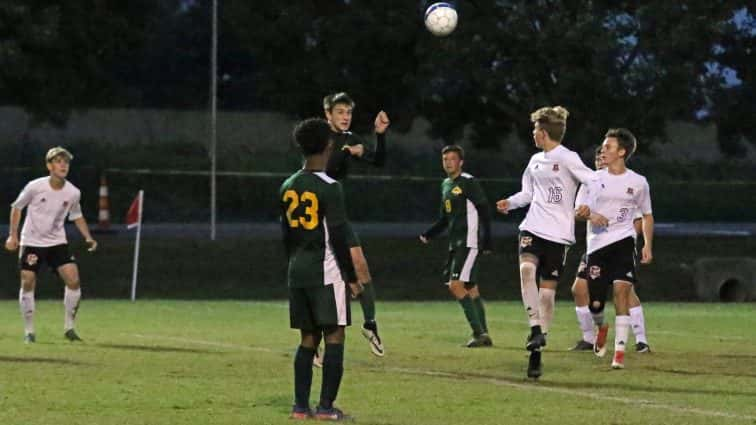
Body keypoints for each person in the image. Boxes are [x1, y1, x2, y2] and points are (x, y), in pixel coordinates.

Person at [495, 106, 597, 379]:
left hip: (559, 235)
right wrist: (510, 202)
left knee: (547, 294)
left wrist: (584, 204)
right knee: (526, 271)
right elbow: (527, 193)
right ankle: (535, 328)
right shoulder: (534, 161)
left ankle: (537, 351)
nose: (533, 135)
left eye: (534, 131)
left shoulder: (568, 158)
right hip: (532, 227)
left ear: (542, 133)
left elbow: (592, 180)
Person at [281, 118, 361, 421]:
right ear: (328, 145)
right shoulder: (330, 187)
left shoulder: (288, 184)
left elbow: (286, 235)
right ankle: (326, 408)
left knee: (307, 339)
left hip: (297, 271)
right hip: (326, 272)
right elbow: (339, 237)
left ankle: (300, 408)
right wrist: (352, 278)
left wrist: (294, 263)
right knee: (335, 336)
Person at [576, 128, 653, 369]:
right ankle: (601, 326)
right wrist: (590, 214)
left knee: (622, 292)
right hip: (597, 246)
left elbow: (647, 214)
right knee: (595, 303)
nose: (603, 151)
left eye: (608, 147)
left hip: (624, 243)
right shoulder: (592, 180)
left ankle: (619, 352)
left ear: (622, 152)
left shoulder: (638, 182)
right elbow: (579, 211)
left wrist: (648, 244)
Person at [5, 146, 98, 343]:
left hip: (57, 242)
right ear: (49, 166)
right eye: (58, 161)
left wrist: (88, 237)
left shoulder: (73, 192)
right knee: (28, 281)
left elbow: (77, 215)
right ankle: (29, 331)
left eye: (66, 162)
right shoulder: (35, 186)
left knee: (73, 280)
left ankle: (69, 328)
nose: (63, 165)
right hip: (31, 241)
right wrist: (13, 236)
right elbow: (16, 207)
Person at [321, 92, 389, 358]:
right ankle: (315, 339)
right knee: (326, 279)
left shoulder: (350, 140)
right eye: (339, 112)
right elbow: (322, 168)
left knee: (361, 269)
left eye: (348, 113)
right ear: (328, 114)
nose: (345, 117)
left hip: (338, 214)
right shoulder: (319, 136)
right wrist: (345, 152)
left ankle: (370, 325)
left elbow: (378, 161)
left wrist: (379, 135)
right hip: (317, 216)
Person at [420, 145, 493, 347]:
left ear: (461, 162)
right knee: (470, 287)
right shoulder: (445, 184)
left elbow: (484, 210)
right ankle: (484, 334)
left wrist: (487, 239)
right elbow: (445, 218)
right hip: (455, 243)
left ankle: (479, 333)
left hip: (469, 242)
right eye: (445, 159)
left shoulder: (468, 182)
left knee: (455, 285)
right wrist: (429, 234)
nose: (448, 162)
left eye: (452, 159)